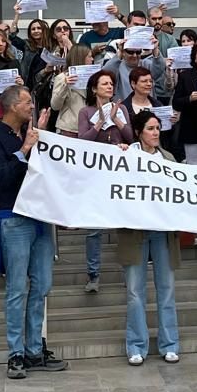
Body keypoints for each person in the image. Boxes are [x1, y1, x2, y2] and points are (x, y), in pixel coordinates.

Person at [0, 84, 65, 379]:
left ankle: (35, 350)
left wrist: (40, 136)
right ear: (11, 107)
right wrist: (26, 148)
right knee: (16, 288)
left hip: (40, 216)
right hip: (14, 218)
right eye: (27, 102)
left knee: (41, 285)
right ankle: (15, 354)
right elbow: (3, 178)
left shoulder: (31, 132)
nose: (32, 107)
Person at [120, 111, 183, 365]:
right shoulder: (125, 156)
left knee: (166, 290)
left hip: (163, 232)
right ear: (138, 132)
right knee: (135, 292)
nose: (156, 132)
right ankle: (136, 345)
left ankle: (170, 344)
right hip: (134, 232)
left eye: (158, 128)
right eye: (150, 128)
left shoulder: (168, 158)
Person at [77, 68, 132, 292]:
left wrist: (116, 120)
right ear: (94, 88)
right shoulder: (85, 111)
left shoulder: (122, 109)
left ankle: (130, 274)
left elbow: (130, 136)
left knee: (125, 227)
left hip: (119, 172)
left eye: (111, 84)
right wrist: (99, 122)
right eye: (104, 84)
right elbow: (83, 140)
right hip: (96, 176)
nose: (109, 87)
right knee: (94, 229)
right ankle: (93, 275)